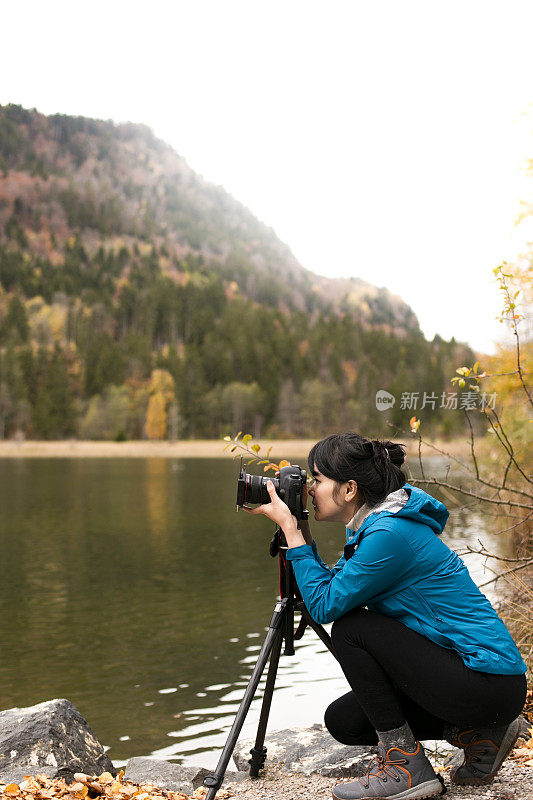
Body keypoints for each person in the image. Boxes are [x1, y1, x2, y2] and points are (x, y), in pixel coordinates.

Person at [244, 431, 527, 800]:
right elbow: (332, 589)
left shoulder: (390, 534)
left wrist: (292, 532)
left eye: (317, 480)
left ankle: (406, 767)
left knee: (352, 629)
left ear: (349, 489)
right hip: (478, 683)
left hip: (487, 681)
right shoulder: (378, 524)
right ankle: (481, 736)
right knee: (345, 722)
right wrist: (300, 528)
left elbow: (326, 606)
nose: (310, 490)